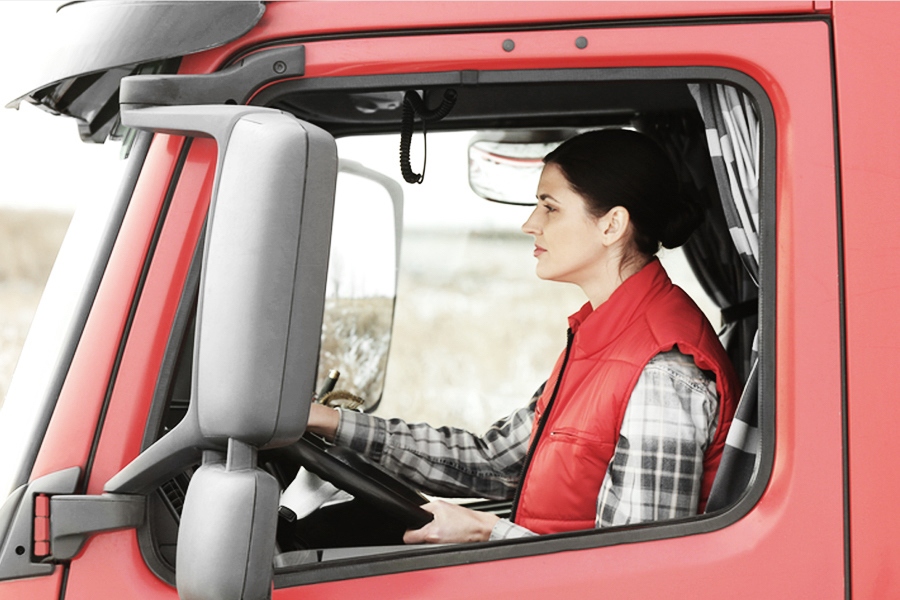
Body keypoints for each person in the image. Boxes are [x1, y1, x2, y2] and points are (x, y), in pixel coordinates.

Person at [306, 129, 738, 543]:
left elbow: (636, 565)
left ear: (612, 226)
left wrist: (484, 532)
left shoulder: (664, 370)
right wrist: (331, 423)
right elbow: (495, 463)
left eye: (549, 207)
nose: (530, 224)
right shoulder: (603, 335)